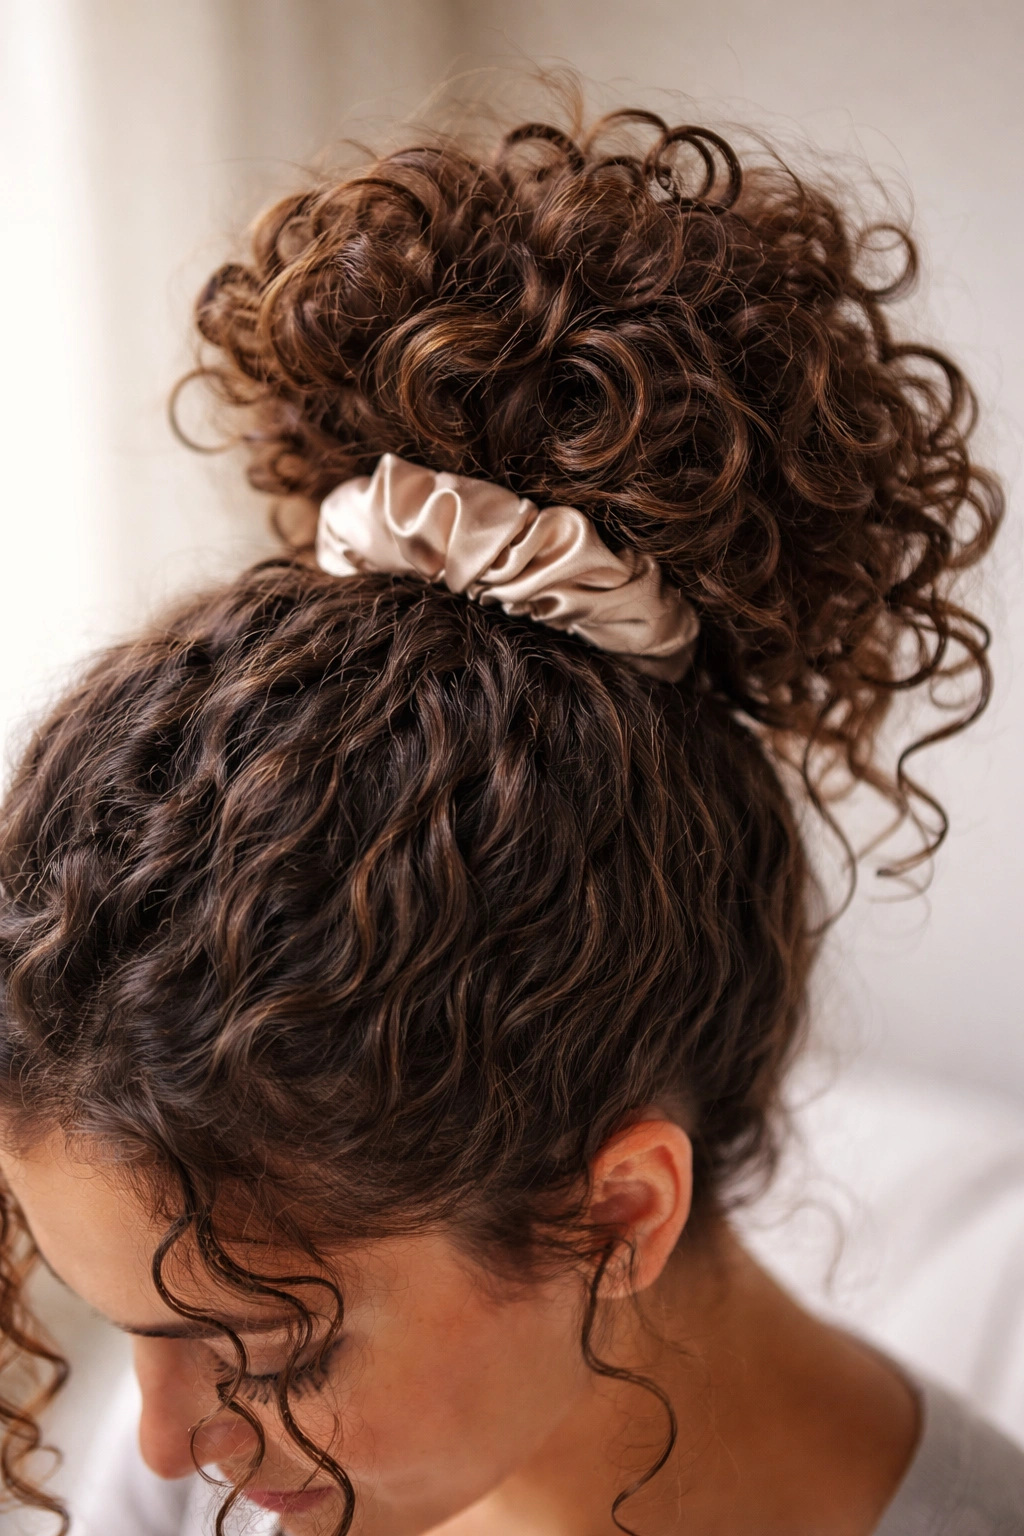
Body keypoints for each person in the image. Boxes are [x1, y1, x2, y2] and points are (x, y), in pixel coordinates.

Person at [0, 104, 1020, 1536]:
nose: (167, 1450)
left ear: (616, 1221)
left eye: (278, 1349)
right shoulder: (210, 1478)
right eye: (127, 1325)